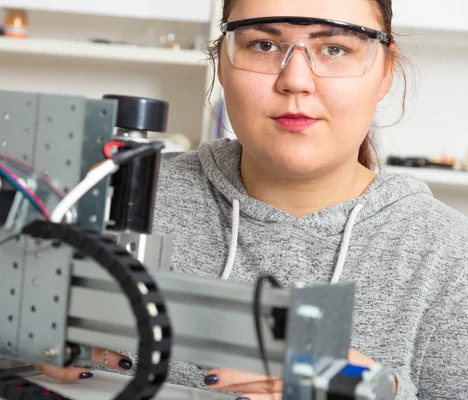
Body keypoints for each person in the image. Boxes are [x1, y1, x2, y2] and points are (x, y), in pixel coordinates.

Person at [35, 0, 468, 398]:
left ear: (385, 72)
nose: (295, 80)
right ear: (221, 62)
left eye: (335, 49)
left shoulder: (450, 253)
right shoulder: (107, 193)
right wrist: (12, 346)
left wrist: (379, 391)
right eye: (263, 44)